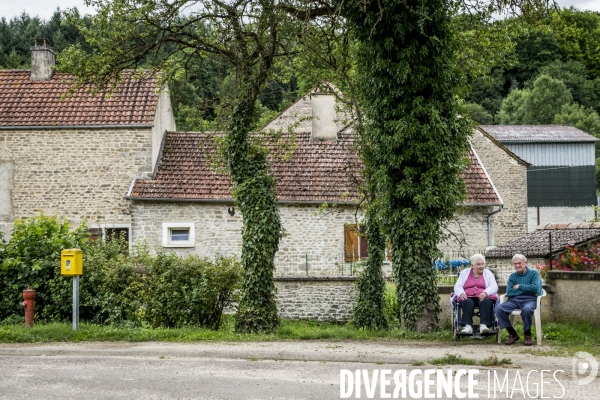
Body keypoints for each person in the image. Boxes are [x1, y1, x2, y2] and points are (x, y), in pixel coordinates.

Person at [495, 254, 543, 346]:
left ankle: (527, 334)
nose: (517, 266)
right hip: (514, 300)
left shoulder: (534, 273)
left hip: (531, 299)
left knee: (527, 309)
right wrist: (527, 290)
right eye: (515, 264)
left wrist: (519, 286)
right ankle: (512, 333)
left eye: (519, 263)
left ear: (525, 262)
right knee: (498, 309)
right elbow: (509, 292)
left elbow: (536, 289)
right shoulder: (513, 276)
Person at [453, 253, 498, 334]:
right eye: (478, 264)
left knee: (486, 301)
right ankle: (468, 326)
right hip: (468, 296)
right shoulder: (464, 273)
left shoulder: (488, 273)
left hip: (483, 296)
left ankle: (484, 325)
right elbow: (457, 286)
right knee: (466, 301)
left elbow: (494, 286)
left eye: (482, 264)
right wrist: (461, 293)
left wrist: (485, 293)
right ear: (472, 265)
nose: (481, 266)